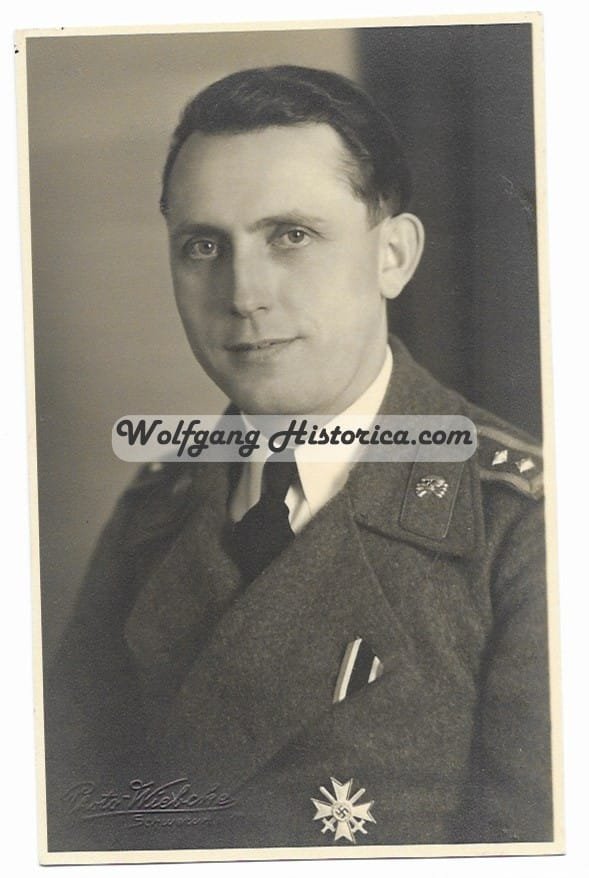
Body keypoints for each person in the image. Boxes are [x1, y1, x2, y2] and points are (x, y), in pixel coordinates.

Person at [44, 65, 552, 852]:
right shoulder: (155, 511)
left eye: (292, 236)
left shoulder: (526, 530)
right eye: (203, 246)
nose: (243, 293)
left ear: (393, 256)